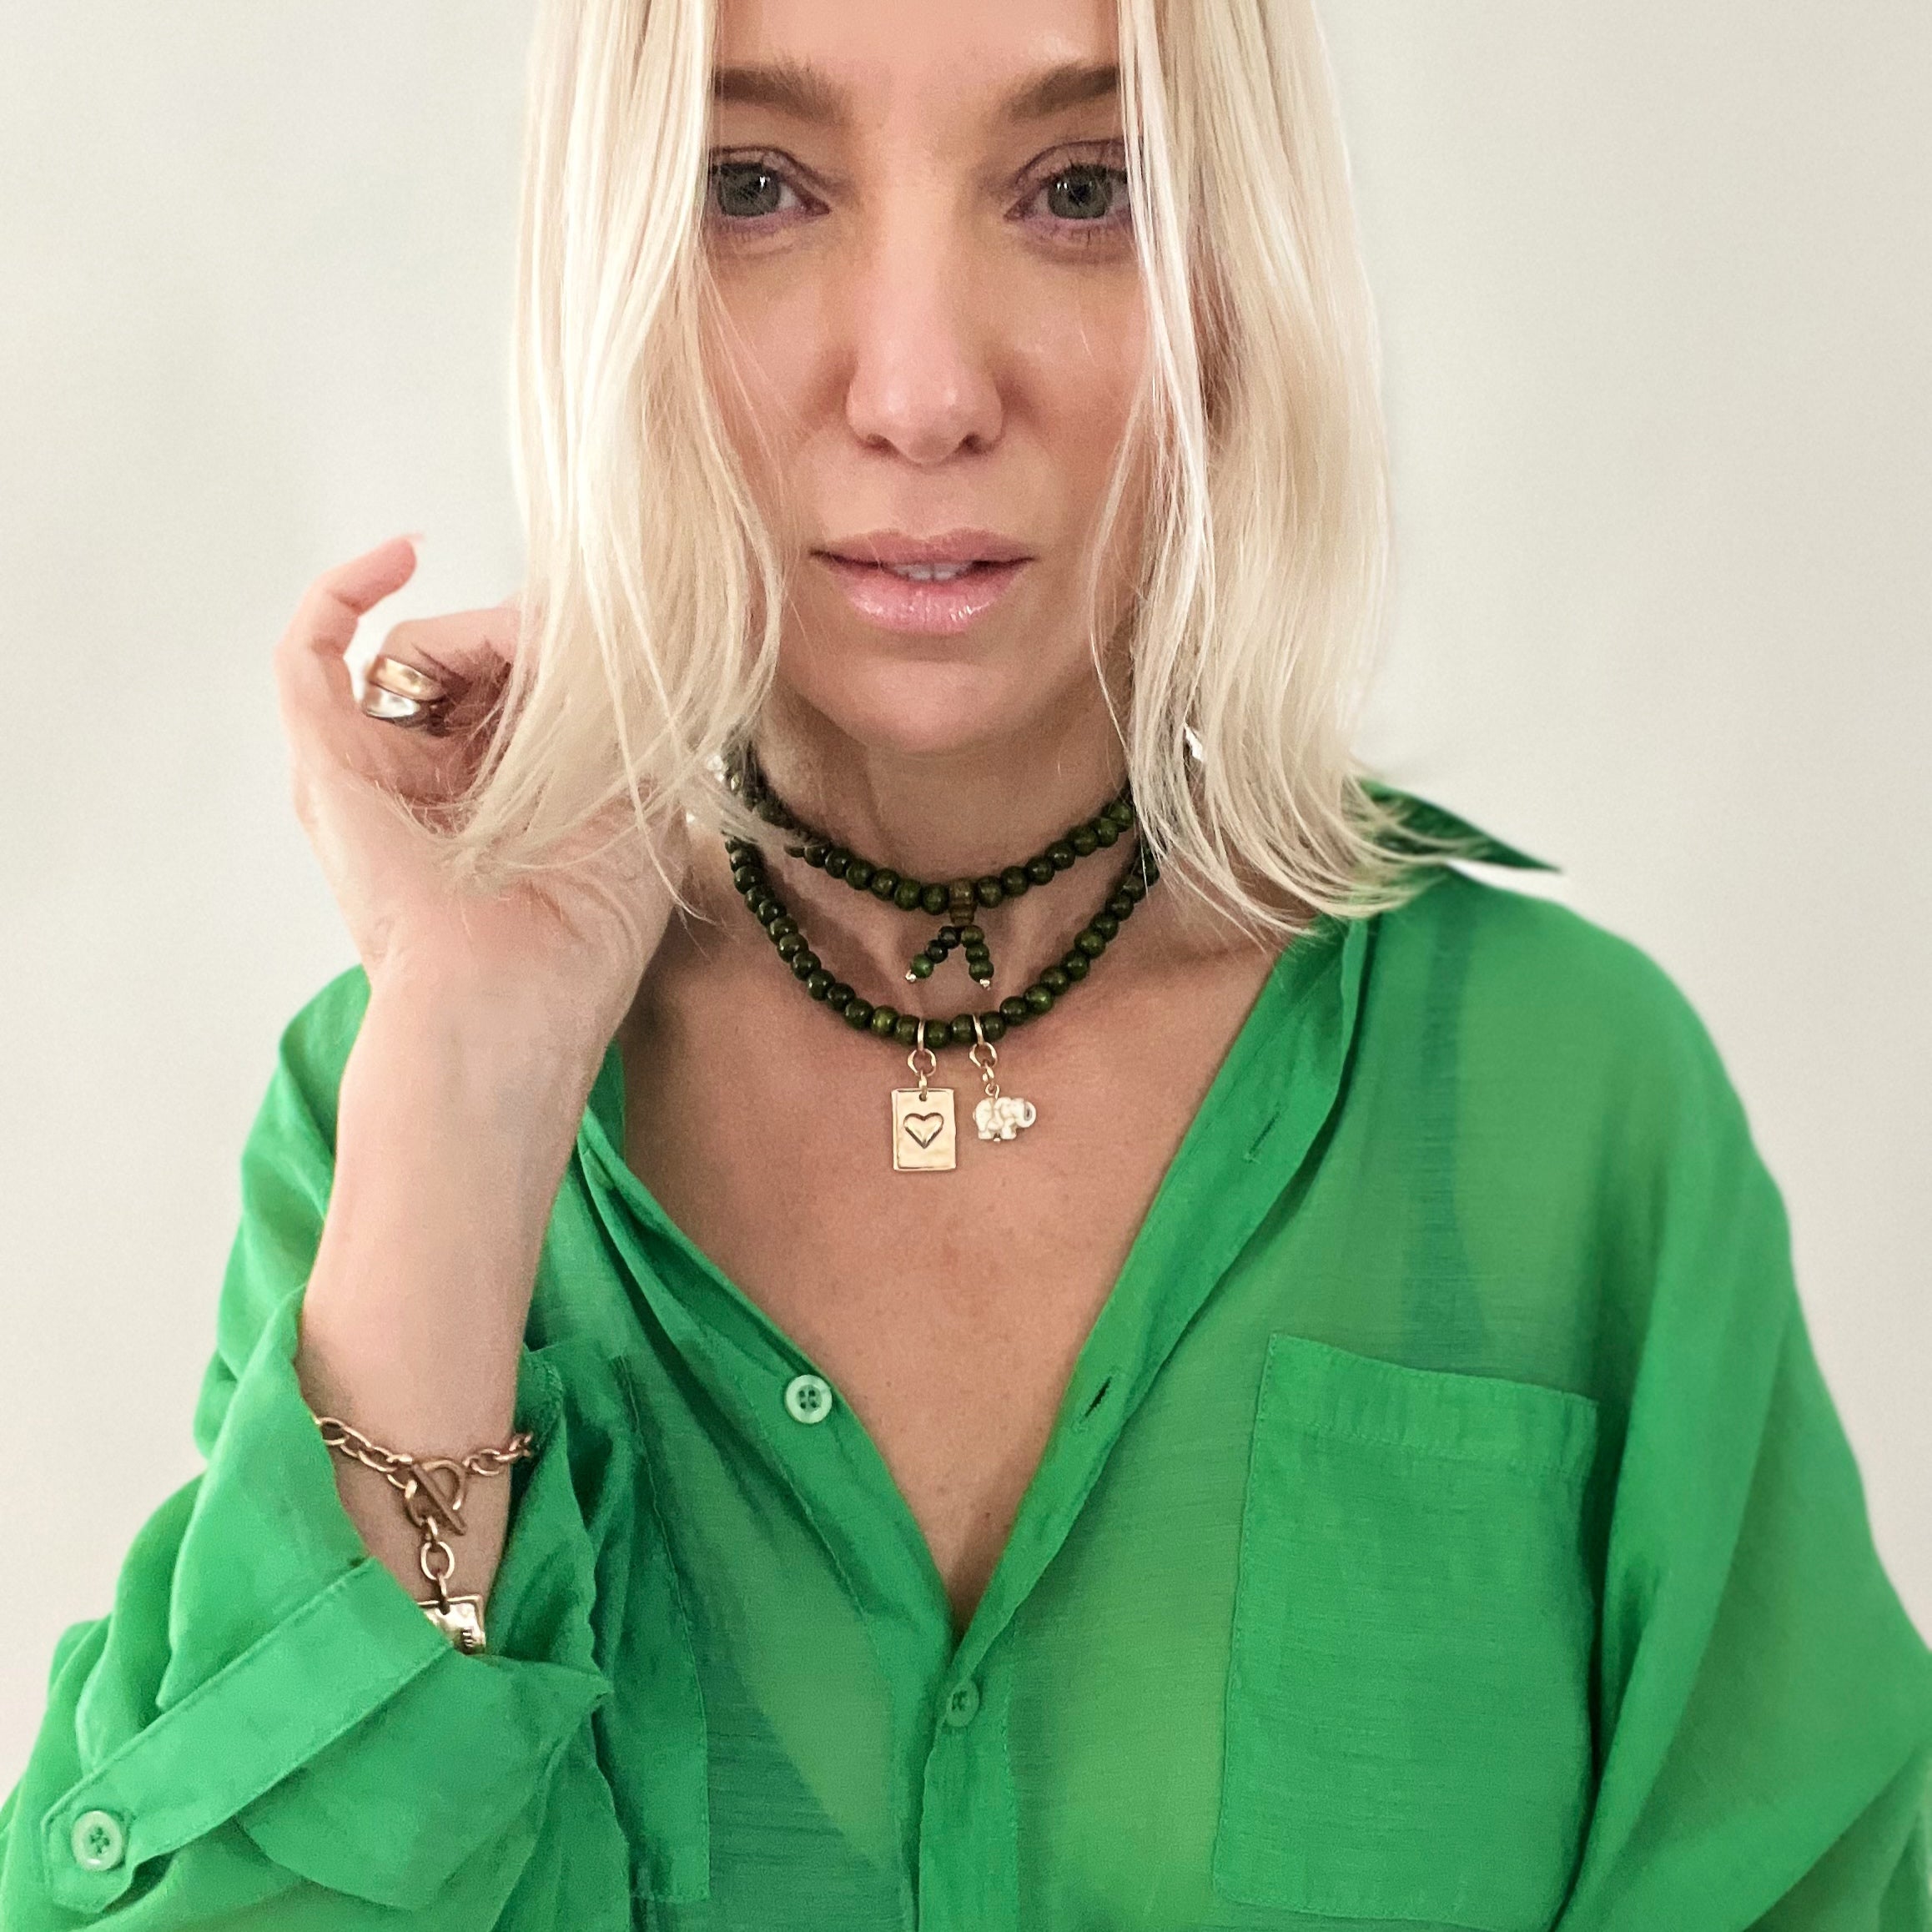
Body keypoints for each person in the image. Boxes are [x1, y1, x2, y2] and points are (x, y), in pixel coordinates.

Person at [5, 0, 1929, 1925]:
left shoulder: (1566, 1107)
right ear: (616, 260)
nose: (923, 391)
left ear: (1235, 268)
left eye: (1083, 189)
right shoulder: (402, 1114)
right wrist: (474, 1076)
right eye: (756, 186)